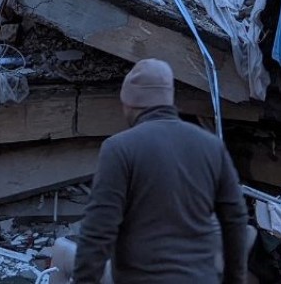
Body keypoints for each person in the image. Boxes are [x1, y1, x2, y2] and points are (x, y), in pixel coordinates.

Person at [73, 58, 248, 284]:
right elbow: (235, 218)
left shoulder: (119, 148)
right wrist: (235, 280)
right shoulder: (211, 146)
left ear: (128, 102)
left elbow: (98, 231)